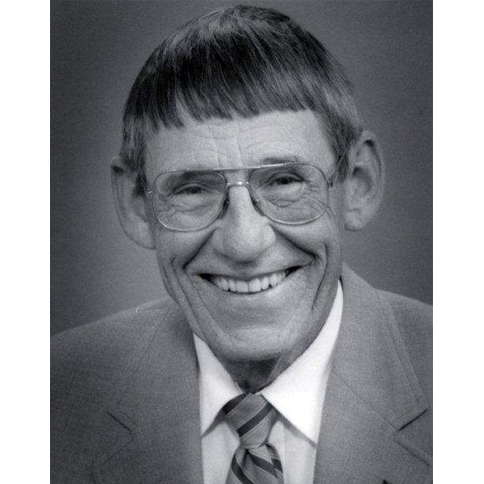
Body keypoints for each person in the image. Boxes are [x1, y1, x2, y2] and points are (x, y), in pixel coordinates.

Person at [51, 5, 432, 484]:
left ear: (358, 183)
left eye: (285, 181)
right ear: (137, 204)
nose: (244, 243)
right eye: (192, 189)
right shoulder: (45, 397)